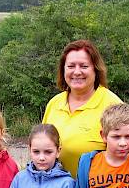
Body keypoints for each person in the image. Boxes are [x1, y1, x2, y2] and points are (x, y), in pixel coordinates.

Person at [43, 39, 122, 177]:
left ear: (95, 69)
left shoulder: (113, 106)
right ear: (63, 70)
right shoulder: (54, 104)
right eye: (71, 66)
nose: (77, 72)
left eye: (84, 66)